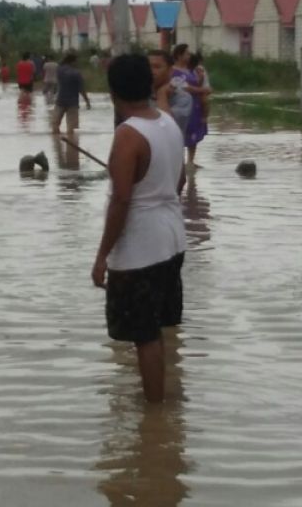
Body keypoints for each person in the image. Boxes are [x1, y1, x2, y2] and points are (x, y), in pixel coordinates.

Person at [91, 53, 187, 404]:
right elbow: (180, 180)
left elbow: (121, 201)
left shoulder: (128, 135)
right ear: (148, 84)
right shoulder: (167, 123)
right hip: (173, 239)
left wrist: (102, 256)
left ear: (112, 92)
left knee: (144, 335)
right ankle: (158, 404)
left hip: (141, 249)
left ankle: (154, 411)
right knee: (156, 330)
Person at [170, 44, 209, 168]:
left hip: (195, 106)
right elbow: (185, 87)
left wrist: (201, 81)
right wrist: (202, 90)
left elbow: (198, 86)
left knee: (194, 132)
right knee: (180, 133)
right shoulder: (173, 71)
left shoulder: (191, 70)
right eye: (186, 53)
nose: (189, 55)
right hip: (181, 107)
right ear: (178, 55)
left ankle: (190, 161)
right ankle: (178, 162)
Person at [53, 51, 92, 134]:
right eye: (76, 61)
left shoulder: (60, 70)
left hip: (60, 100)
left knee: (55, 124)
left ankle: (56, 143)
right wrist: (87, 101)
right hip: (73, 102)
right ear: (73, 61)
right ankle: (70, 144)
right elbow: (81, 89)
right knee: (71, 127)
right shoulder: (76, 73)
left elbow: (57, 81)